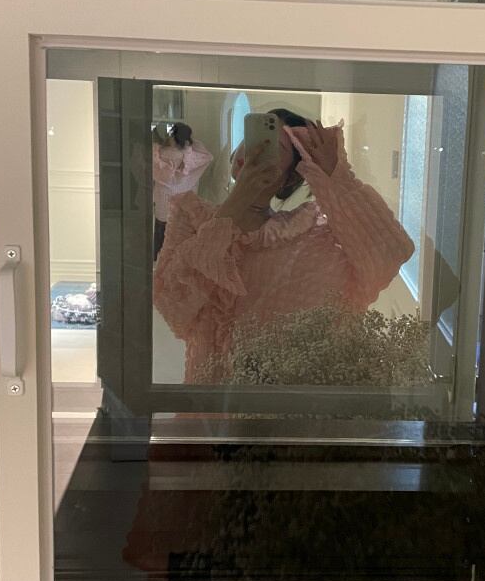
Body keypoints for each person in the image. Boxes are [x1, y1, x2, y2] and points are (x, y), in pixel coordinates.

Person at [152, 108, 415, 383]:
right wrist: (238, 202)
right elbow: (172, 304)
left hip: (293, 400)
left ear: (290, 178)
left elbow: (390, 254)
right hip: (211, 400)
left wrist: (335, 175)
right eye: (252, 137)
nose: (254, 151)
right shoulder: (192, 217)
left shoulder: (311, 237)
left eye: (273, 148)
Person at [152, 122, 213, 261]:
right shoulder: (191, 156)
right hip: (182, 201)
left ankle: (157, 260)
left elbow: (150, 158)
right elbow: (208, 156)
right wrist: (189, 143)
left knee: (161, 232)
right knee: (177, 234)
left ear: (174, 136)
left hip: (163, 200)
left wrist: (158, 144)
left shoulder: (162, 153)